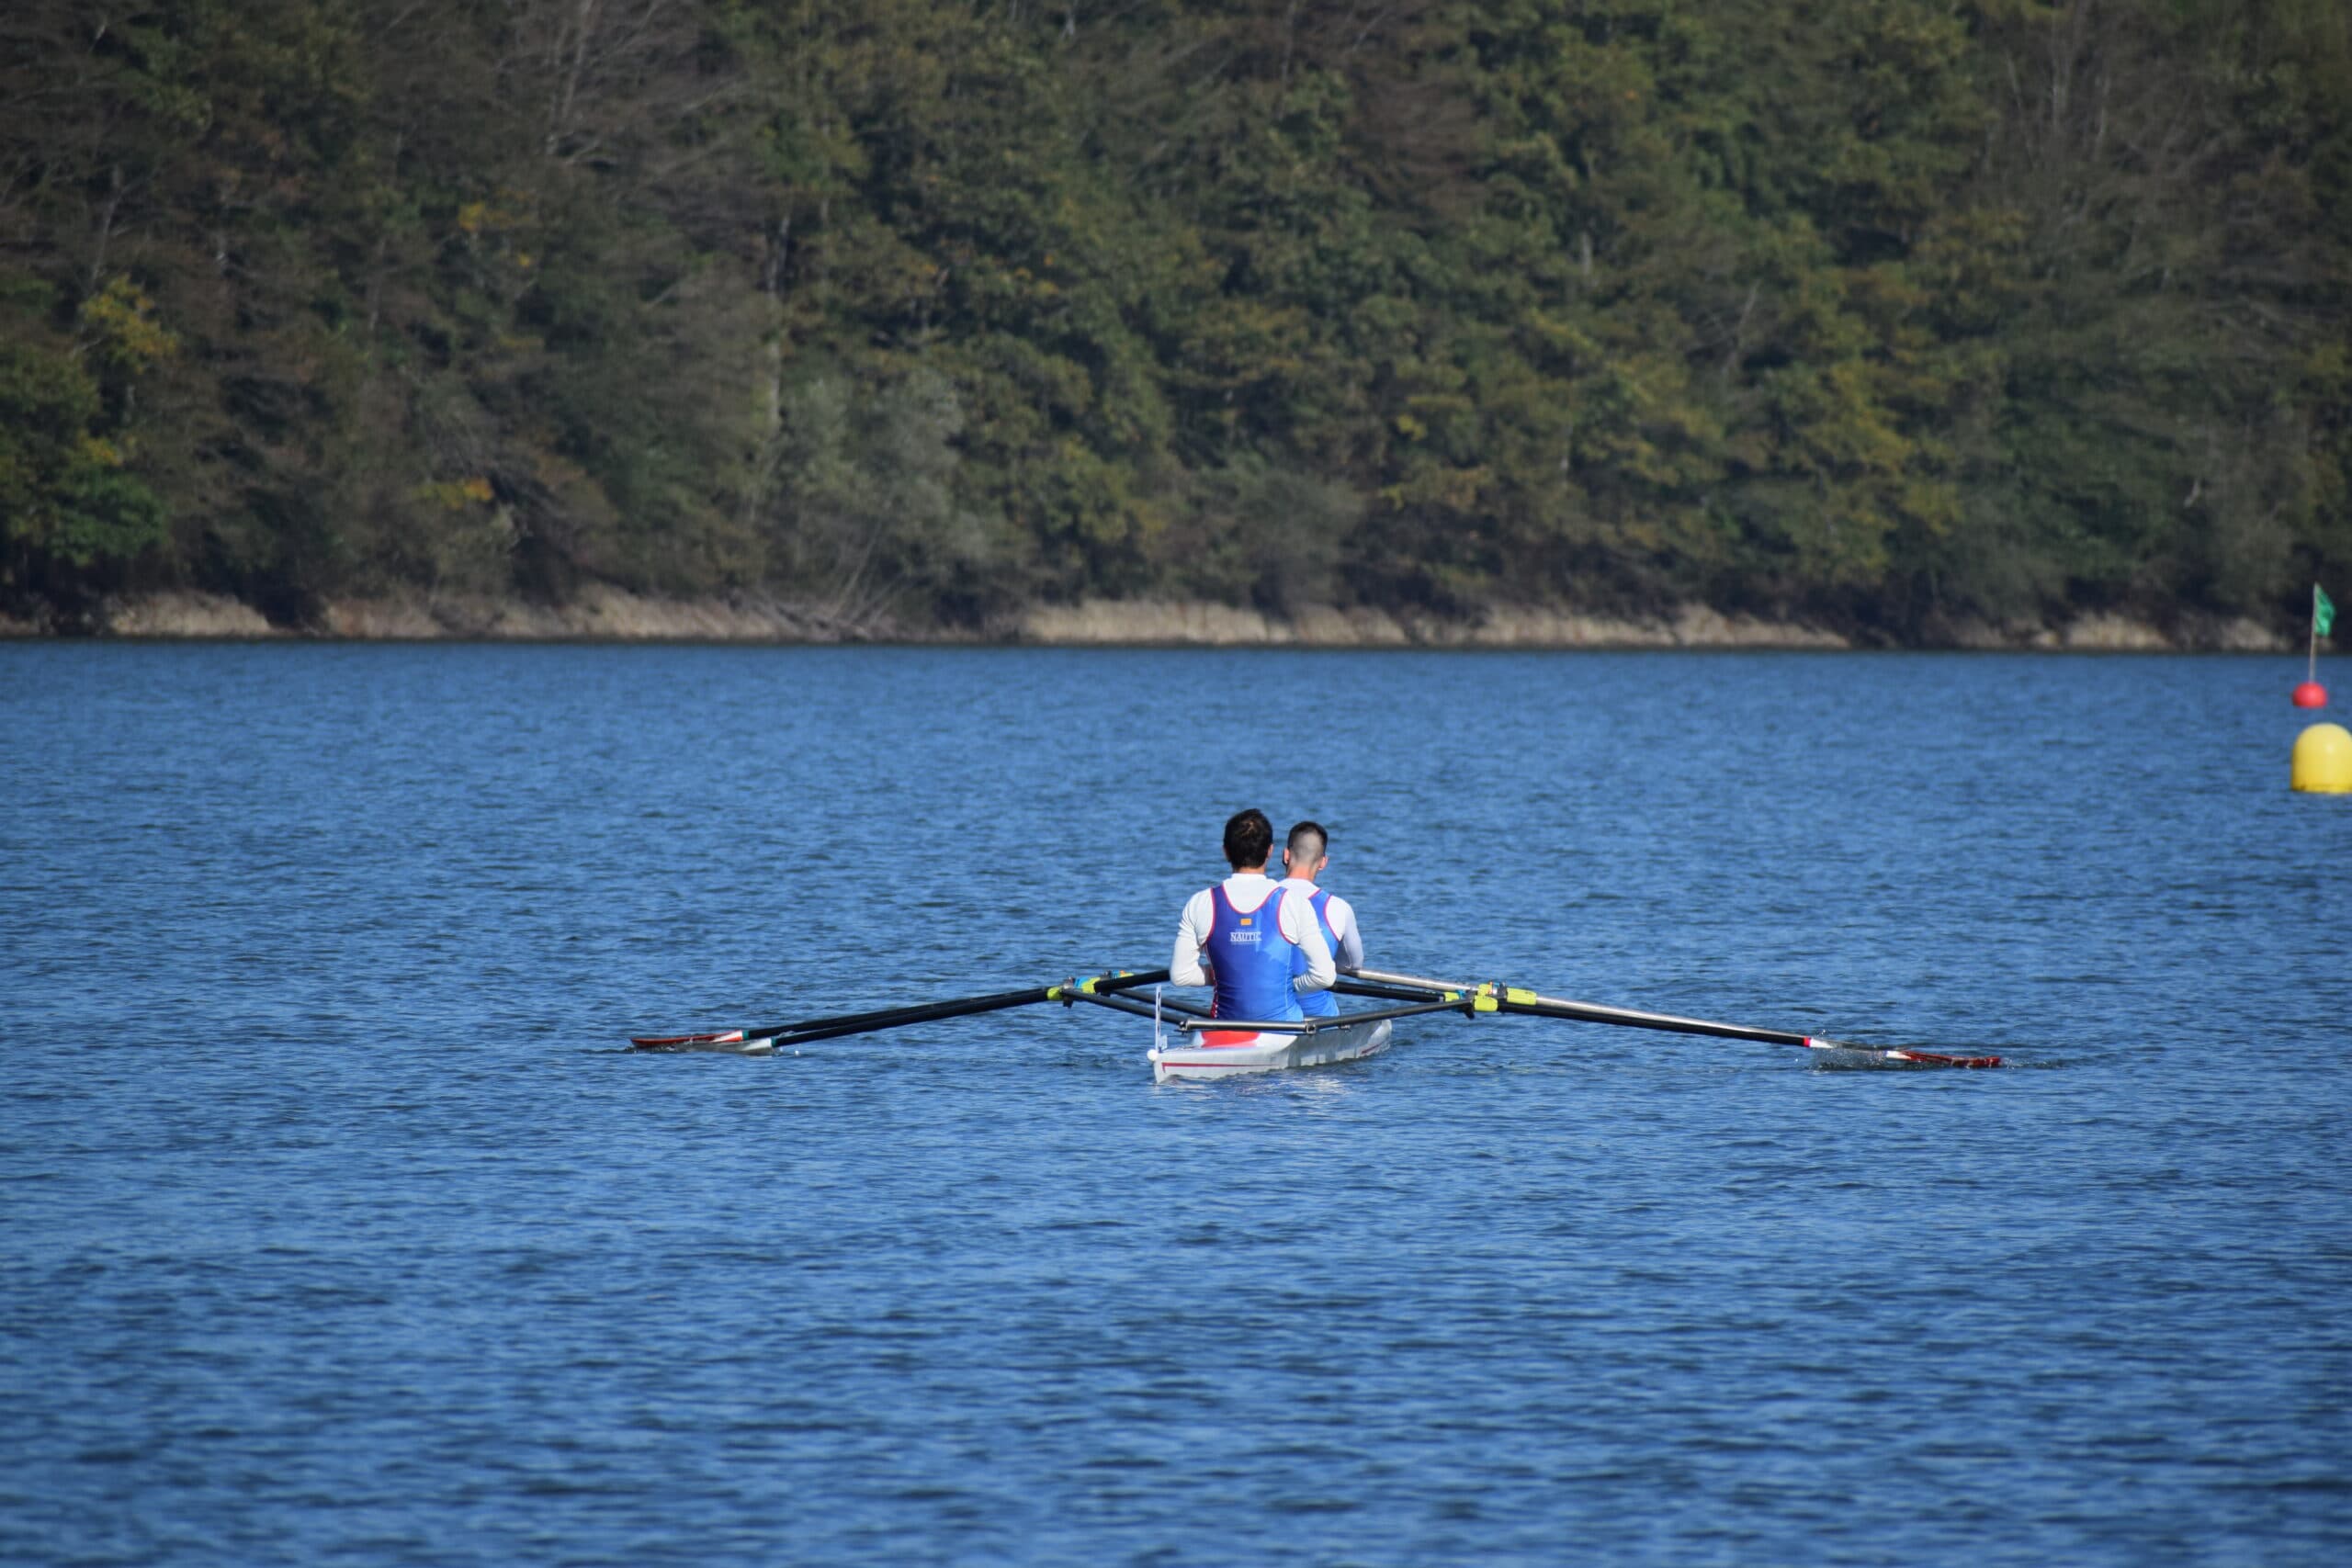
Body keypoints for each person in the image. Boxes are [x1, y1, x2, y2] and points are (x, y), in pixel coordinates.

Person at [1171, 808, 1335, 1022]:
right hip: (1285, 1029)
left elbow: (1181, 975)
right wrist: (1289, 984)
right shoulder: (1294, 903)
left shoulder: (1200, 903)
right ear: (1270, 851)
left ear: (1225, 852)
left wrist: (1218, 975)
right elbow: (1325, 976)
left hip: (1223, 1027)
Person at [1273, 820, 1362, 1018]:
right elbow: (1353, 965)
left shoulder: (1261, 900)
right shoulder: (1339, 908)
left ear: (1286, 855)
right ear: (1323, 862)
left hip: (1264, 1015)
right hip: (1319, 1018)